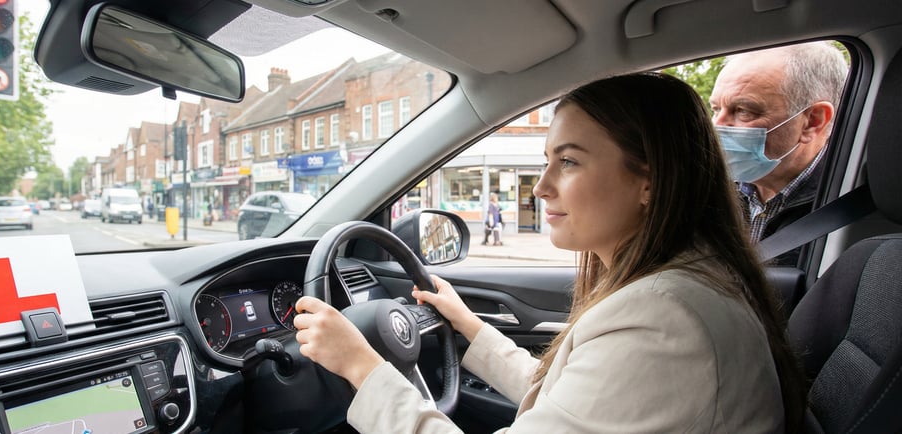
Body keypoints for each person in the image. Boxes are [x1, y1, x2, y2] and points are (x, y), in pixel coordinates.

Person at [292, 72, 806, 433]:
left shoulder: (665, 320)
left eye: (569, 162)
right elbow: (571, 398)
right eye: (547, 161)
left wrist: (362, 367)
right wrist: (470, 327)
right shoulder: (686, 283)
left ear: (649, 180)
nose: (540, 188)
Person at [710, 41, 848, 265]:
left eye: (743, 111)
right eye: (716, 109)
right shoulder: (708, 195)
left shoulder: (842, 206)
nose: (716, 127)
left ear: (812, 122)